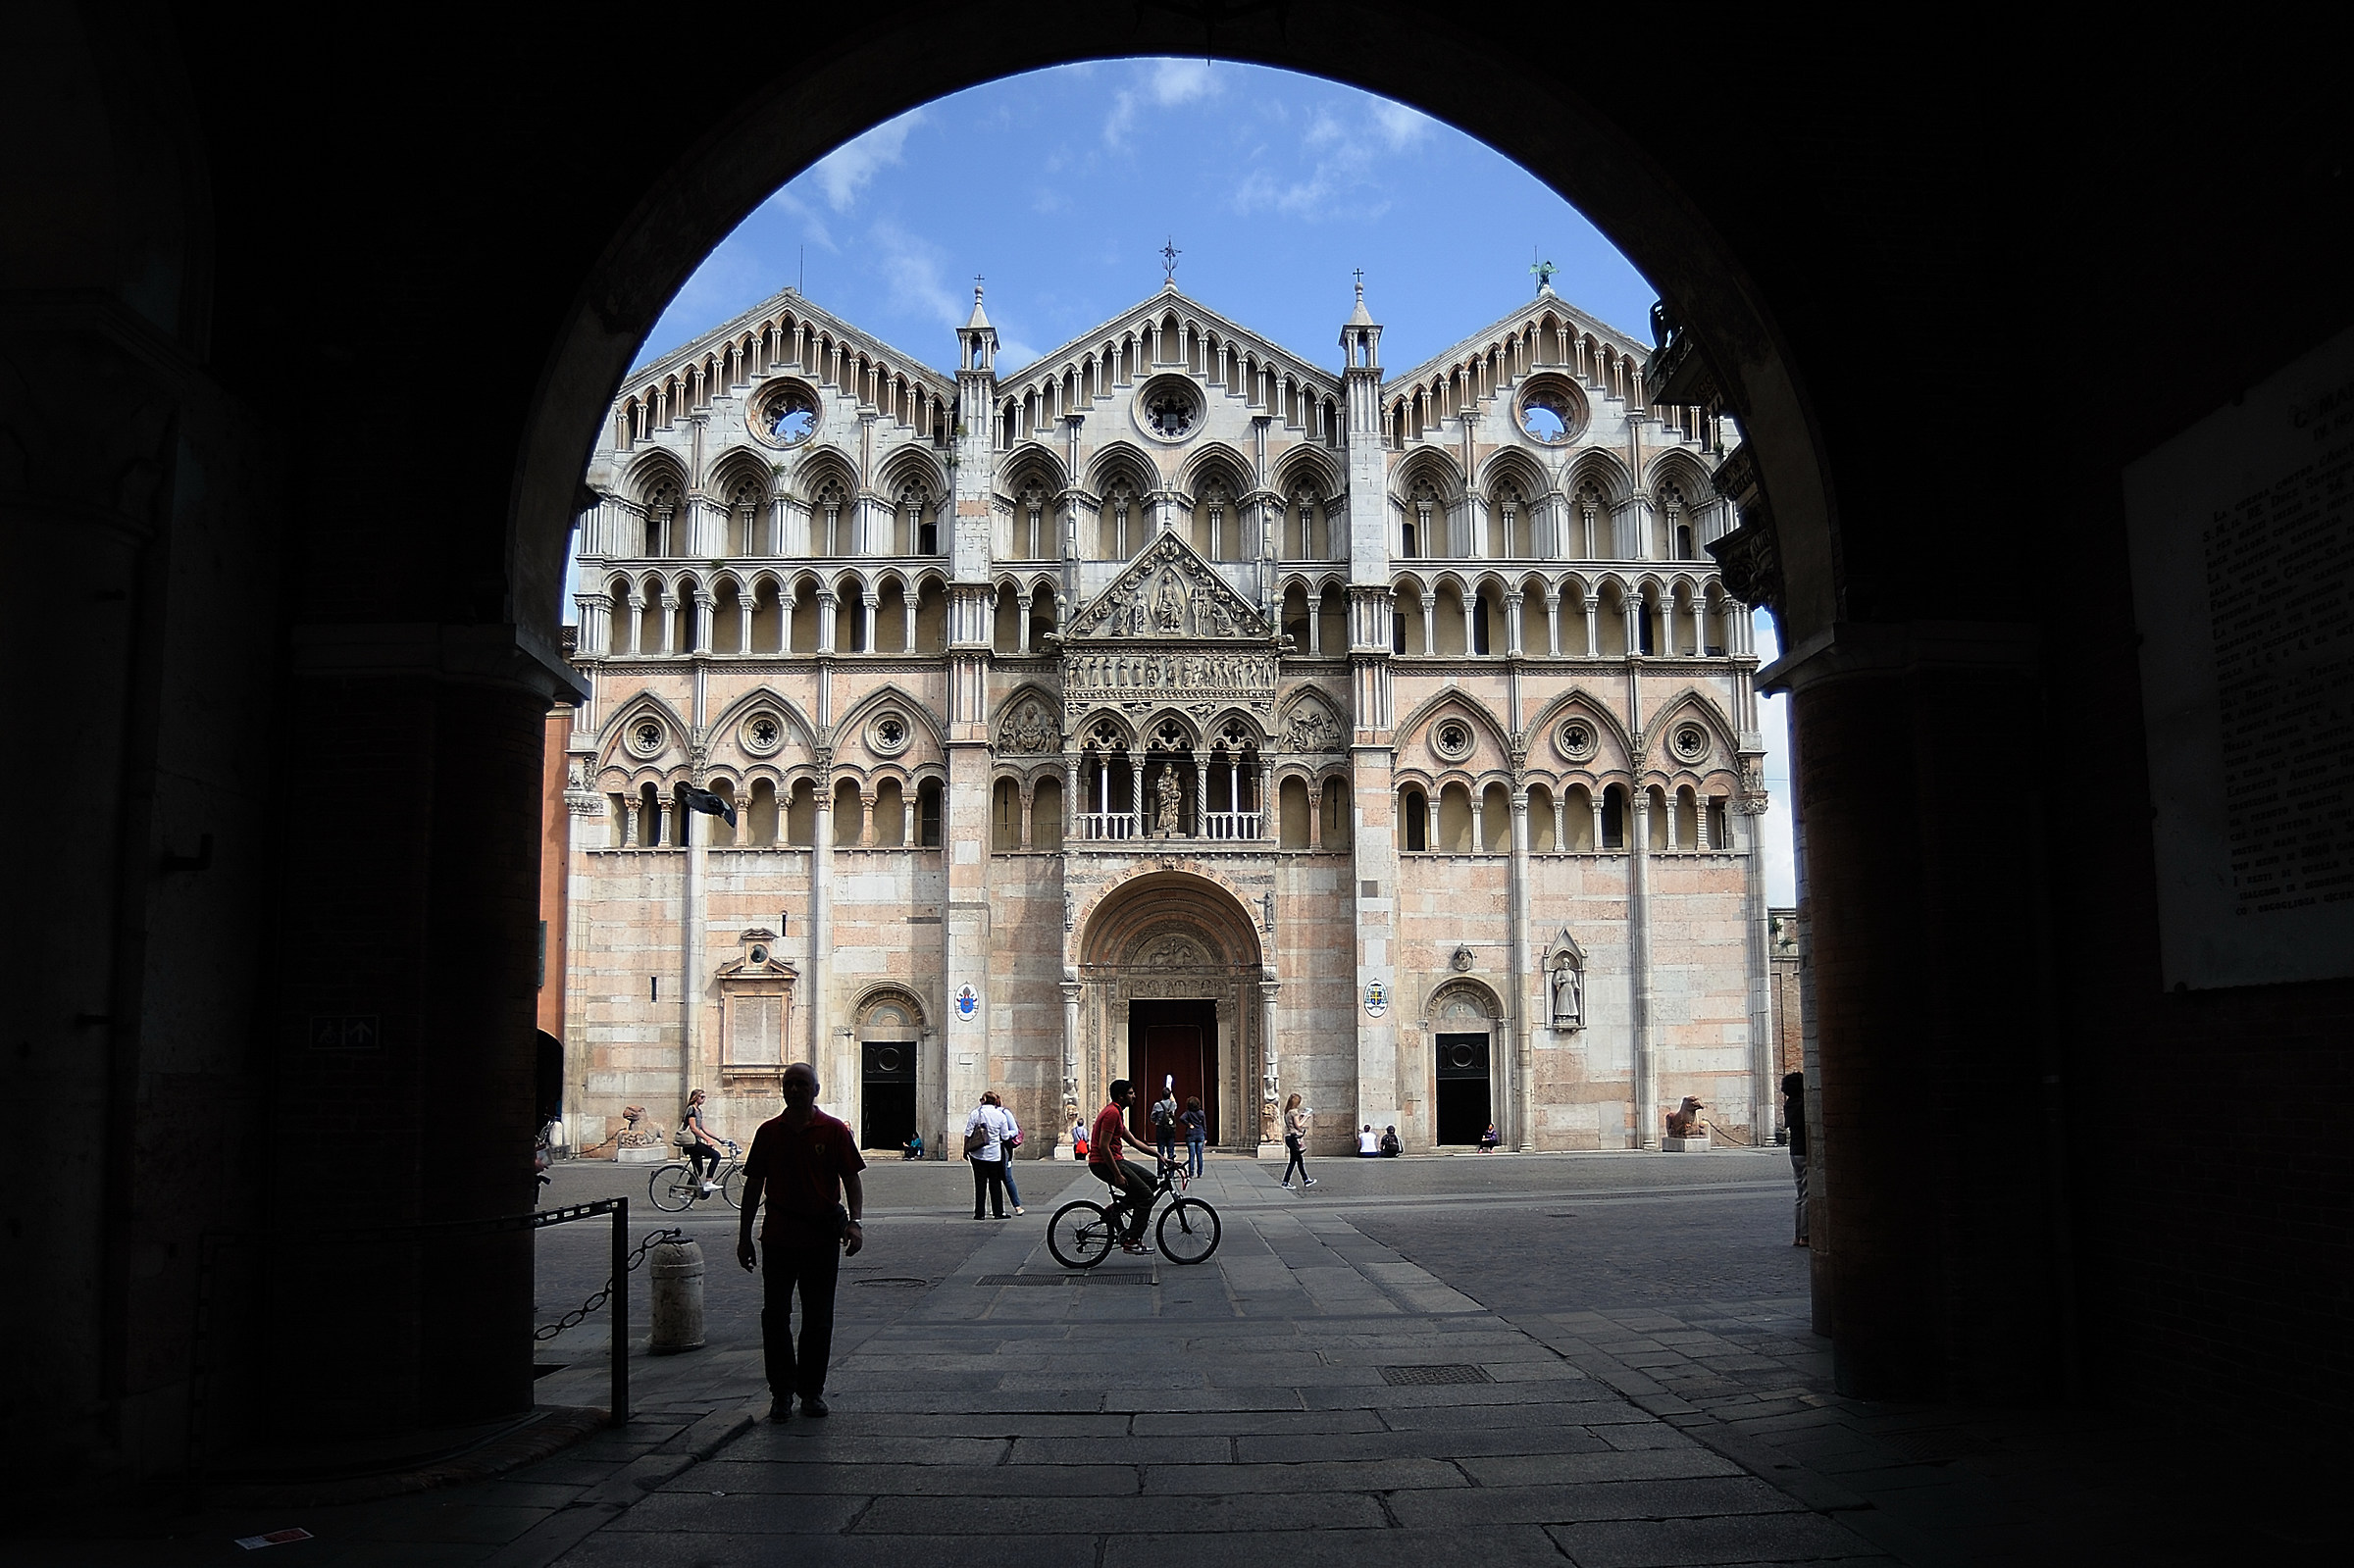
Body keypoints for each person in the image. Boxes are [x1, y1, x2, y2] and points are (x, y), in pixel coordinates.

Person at [737, 1061, 864, 1422]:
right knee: (774, 1317)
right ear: (782, 1089)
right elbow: (752, 1186)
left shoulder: (834, 1130)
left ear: (815, 1090)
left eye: (801, 1084)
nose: (794, 1090)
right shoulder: (768, 1132)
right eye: (789, 1084)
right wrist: (744, 1236)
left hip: (822, 1238)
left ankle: (811, 1392)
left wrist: (855, 1223)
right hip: (777, 1237)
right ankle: (781, 1392)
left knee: (818, 1319)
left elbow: (851, 1179)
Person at [1087, 1079, 1161, 1253]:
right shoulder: (1112, 1113)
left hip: (1114, 1160)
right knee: (1146, 1197)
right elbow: (1103, 1147)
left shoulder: (1117, 1113)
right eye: (1130, 1093)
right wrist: (1117, 1175)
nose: (1134, 1096)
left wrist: (1158, 1155)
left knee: (1151, 1181)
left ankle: (1115, 1210)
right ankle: (1132, 1240)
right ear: (1121, 1096)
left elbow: (1134, 1141)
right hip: (1103, 1163)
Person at [963, 1091, 1015, 1220]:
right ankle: (998, 1212)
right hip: (994, 1155)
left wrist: (965, 1150)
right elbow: (1004, 1136)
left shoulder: (976, 1113)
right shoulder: (1000, 1115)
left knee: (980, 1184)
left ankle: (979, 1213)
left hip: (977, 1154)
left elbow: (968, 1133)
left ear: (984, 1100)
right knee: (995, 1184)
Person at [680, 1087, 724, 1193]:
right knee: (716, 1155)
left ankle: (685, 1194)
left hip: (695, 1143)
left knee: (698, 1170)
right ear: (696, 1097)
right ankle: (708, 1182)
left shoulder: (698, 1111)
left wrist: (718, 1139)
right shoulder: (691, 1109)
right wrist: (708, 1140)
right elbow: (694, 1128)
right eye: (702, 1097)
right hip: (691, 1144)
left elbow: (704, 1128)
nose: (704, 1099)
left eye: (705, 1097)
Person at [1783, 1071, 1809, 1246]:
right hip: (1805, 1152)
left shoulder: (1790, 1104)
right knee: (1807, 1193)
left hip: (1794, 1151)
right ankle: (1805, 1235)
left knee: (1800, 1194)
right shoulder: (1803, 1105)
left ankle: (1798, 1235)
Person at [1280, 1093, 1315, 1189]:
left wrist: (1301, 1116)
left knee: (1299, 1160)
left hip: (1289, 1137)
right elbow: (1298, 1125)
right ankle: (1285, 1182)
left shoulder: (1287, 1112)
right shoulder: (1294, 1112)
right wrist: (1306, 1117)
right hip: (1294, 1138)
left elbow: (1292, 1123)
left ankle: (1306, 1180)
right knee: (1293, 1161)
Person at [1151, 1086, 1180, 1166]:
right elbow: (1174, 1102)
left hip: (1161, 1129)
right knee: (1171, 1151)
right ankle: (1171, 1172)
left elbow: (1152, 1117)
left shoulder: (1157, 1105)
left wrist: (1157, 1121)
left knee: (1160, 1151)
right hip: (1171, 1130)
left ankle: (1160, 1171)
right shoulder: (1173, 1104)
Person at [1181, 1096, 1207, 1180]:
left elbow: (1181, 1118)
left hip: (1191, 1134)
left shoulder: (1188, 1113)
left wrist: (1189, 1124)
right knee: (1199, 1154)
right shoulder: (1201, 1113)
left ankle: (1191, 1173)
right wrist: (1205, 1137)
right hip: (1200, 1133)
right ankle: (1199, 1172)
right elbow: (1204, 1125)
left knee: (1191, 1155)